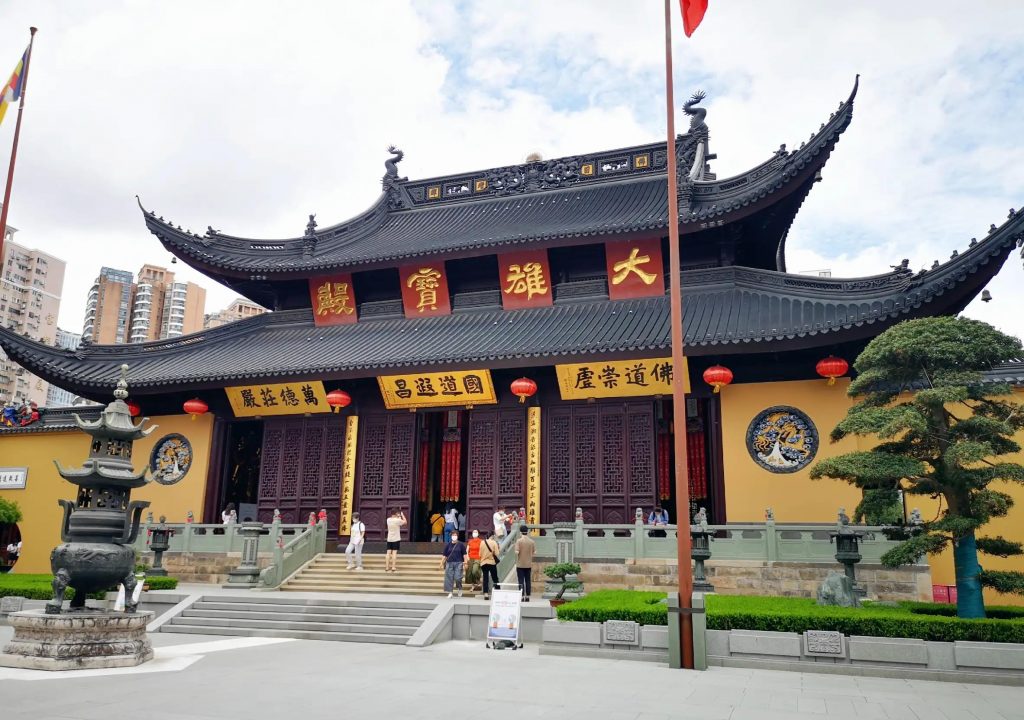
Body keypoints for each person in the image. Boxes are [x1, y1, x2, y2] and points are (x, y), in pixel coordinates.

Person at [441, 531, 467, 598]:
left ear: (457, 536)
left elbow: (464, 555)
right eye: (453, 535)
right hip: (449, 563)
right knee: (449, 578)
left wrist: (465, 562)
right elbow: (445, 555)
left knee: (458, 578)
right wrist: (441, 563)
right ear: (451, 536)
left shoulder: (461, 545)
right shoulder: (448, 545)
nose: (454, 536)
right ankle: (450, 592)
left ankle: (459, 588)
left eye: (455, 535)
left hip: (459, 563)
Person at [514, 524, 536, 602]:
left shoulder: (519, 541)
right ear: (527, 532)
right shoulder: (532, 542)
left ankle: (522, 595)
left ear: (520, 532)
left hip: (520, 564)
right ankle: (527, 596)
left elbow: (516, 552)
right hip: (528, 564)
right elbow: (535, 552)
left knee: (520, 580)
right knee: (528, 580)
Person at [479, 531, 501, 600]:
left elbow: (479, 554)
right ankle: (498, 591)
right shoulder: (494, 542)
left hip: (484, 563)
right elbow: (497, 553)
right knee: (495, 577)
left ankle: (486, 594)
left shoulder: (482, 542)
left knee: (485, 578)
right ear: (493, 536)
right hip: (491, 562)